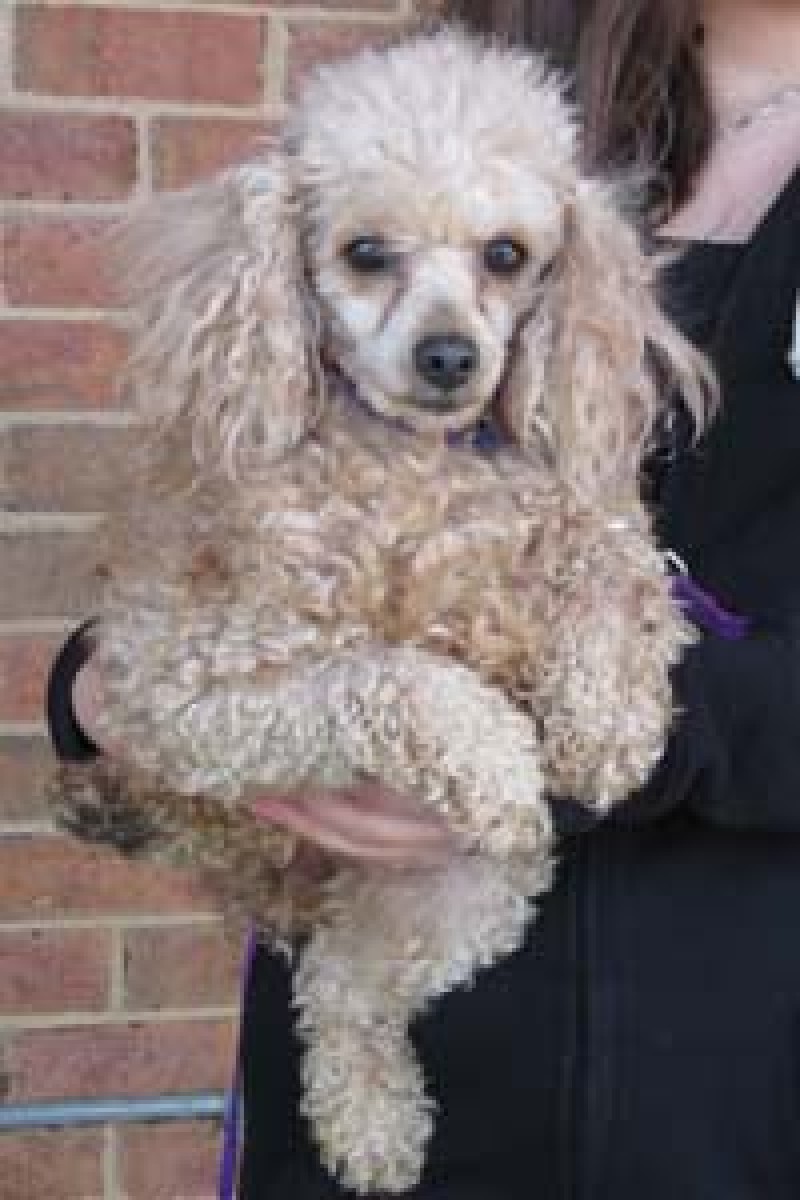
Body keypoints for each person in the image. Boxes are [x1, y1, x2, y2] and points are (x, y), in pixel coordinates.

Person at [47, 0, 800, 1195]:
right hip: (382, 1026)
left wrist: (594, 737)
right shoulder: (470, 76)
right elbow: (241, 515)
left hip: (728, 1078)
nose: (447, 331)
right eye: (374, 260)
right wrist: (106, 680)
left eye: (501, 262)